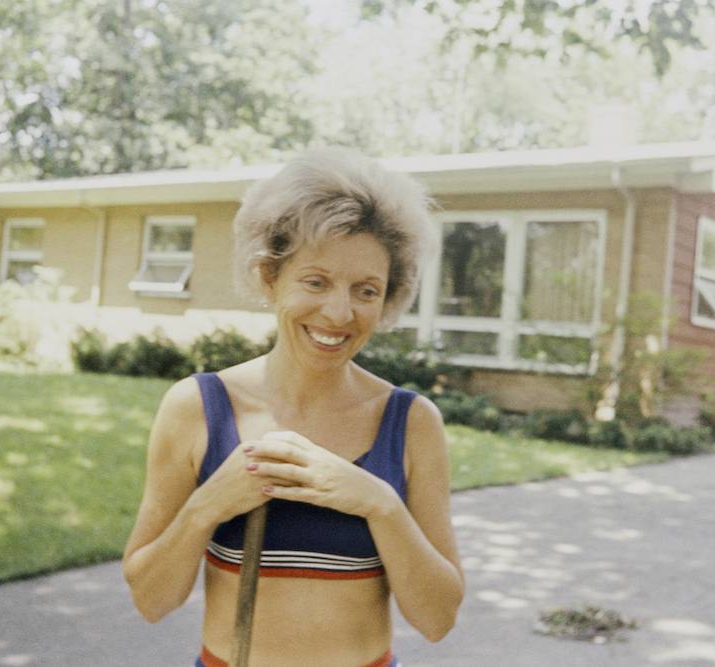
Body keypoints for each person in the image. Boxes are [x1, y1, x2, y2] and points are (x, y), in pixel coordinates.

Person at [121, 148, 464, 667]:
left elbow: (437, 620)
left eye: (365, 290)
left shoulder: (411, 423)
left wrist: (378, 502)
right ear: (268, 277)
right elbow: (151, 600)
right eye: (316, 281)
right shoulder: (197, 408)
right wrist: (210, 504)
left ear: (389, 296)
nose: (339, 312)